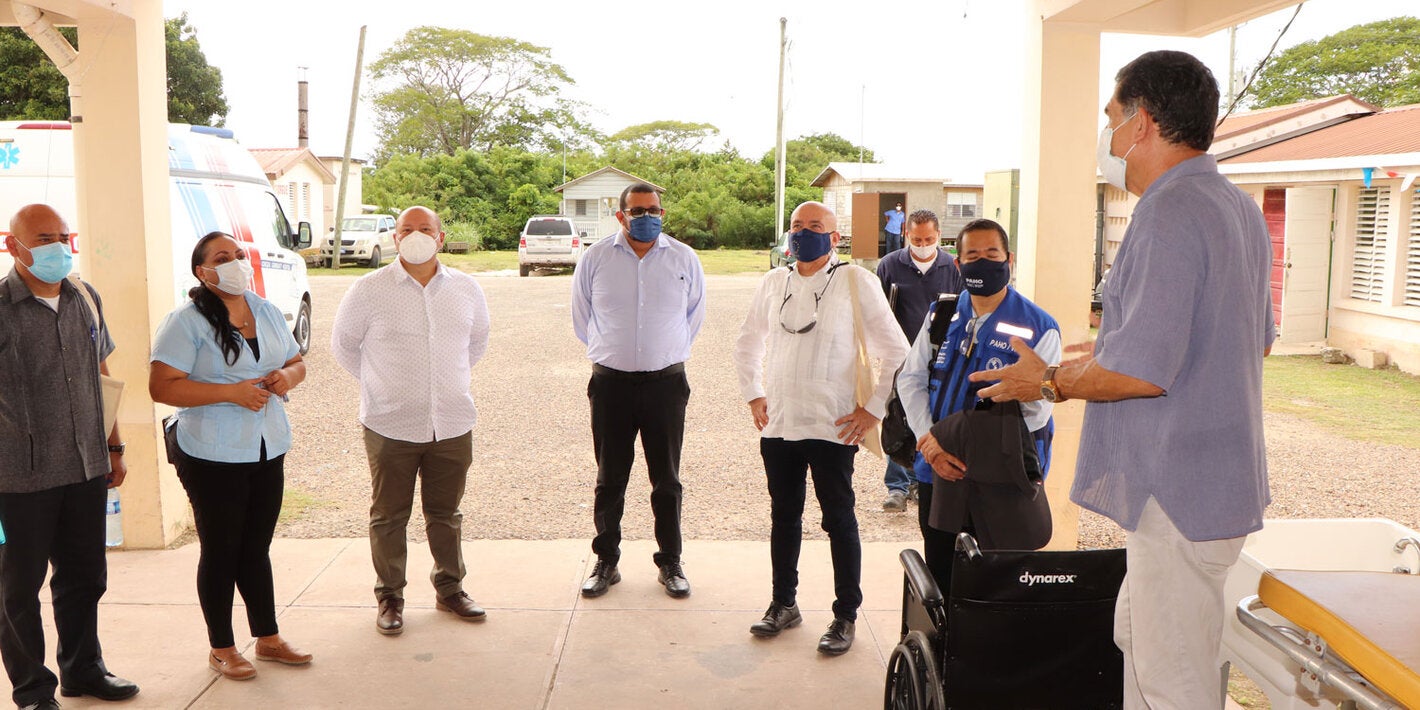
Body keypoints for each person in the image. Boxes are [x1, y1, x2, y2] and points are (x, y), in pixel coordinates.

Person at [971, 50, 1273, 709]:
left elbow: (1142, 371)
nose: (1107, 137)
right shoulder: (1235, 207)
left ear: (1140, 122)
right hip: (1209, 488)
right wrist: (1105, 348)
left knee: (1173, 683)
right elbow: (1238, 342)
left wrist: (1047, 380)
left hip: (1179, 491)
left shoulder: (1169, 213)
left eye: (1111, 118)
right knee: (1145, 647)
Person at [734, 201, 909, 656]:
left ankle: (845, 614)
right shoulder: (774, 283)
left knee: (839, 520)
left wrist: (872, 409)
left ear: (835, 237)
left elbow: (897, 349)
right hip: (781, 424)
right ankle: (783, 604)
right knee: (784, 517)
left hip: (834, 427)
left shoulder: (856, 282)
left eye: (815, 226)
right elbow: (747, 341)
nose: (803, 233)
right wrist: (754, 392)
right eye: (796, 226)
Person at [150, 231, 313, 681]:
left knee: (255, 547)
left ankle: (268, 638)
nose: (236, 263)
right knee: (222, 550)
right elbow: (162, 386)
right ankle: (221, 647)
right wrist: (231, 393)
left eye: (239, 255)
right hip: (211, 453)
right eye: (223, 258)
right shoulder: (184, 321)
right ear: (203, 272)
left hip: (267, 447)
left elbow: (298, 360)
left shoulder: (263, 309)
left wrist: (287, 377)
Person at [0, 204, 140, 709]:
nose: (57, 247)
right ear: (12, 245)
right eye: (43, 238)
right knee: (18, 589)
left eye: (63, 236)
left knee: (85, 577)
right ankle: (33, 691)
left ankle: (83, 669)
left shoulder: (84, 297)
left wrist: (114, 446)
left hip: (86, 467)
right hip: (17, 477)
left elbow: (102, 377)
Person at [331, 206, 492, 635]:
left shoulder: (467, 289)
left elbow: (475, 343)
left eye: (425, 229)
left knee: (446, 514)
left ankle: (450, 589)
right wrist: (384, 388)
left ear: (441, 238)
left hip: (453, 423)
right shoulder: (368, 290)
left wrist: (442, 384)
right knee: (388, 515)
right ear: (394, 237)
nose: (416, 235)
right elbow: (344, 346)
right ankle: (390, 597)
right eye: (407, 229)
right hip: (389, 425)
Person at [896, 219, 1060, 592]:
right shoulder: (941, 315)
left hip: (1002, 478)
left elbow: (1037, 412)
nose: (982, 262)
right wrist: (930, 442)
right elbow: (911, 379)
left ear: (1009, 259)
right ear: (958, 263)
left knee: (995, 580)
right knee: (940, 573)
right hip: (938, 468)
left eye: (992, 254)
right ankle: (944, 648)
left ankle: (990, 649)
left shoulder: (1039, 327)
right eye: (972, 255)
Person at [571, 183, 706, 599]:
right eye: (638, 210)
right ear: (620, 215)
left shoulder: (683, 258)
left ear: (663, 213)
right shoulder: (595, 258)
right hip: (611, 384)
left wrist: (661, 353)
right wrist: (616, 352)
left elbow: (693, 317)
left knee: (666, 479)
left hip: (666, 384)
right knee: (610, 478)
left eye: (654, 210)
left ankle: (671, 562)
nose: (647, 217)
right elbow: (582, 318)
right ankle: (606, 561)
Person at [874, 209, 964, 512]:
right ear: (906, 236)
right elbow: (877, 312)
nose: (922, 244)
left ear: (939, 236)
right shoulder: (889, 266)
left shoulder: (952, 268)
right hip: (899, 357)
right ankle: (896, 486)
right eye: (916, 239)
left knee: (931, 418)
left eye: (928, 239)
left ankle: (920, 480)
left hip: (940, 360)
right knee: (898, 418)